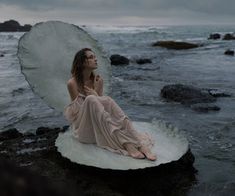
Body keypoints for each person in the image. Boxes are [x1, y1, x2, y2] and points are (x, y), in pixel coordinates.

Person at [64, 48, 156, 161]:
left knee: (107, 100)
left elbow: (101, 108)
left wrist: (96, 92)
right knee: (93, 99)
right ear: (82, 62)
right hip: (84, 129)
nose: (95, 59)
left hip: (98, 125)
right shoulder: (72, 83)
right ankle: (127, 145)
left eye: (95, 57)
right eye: (91, 57)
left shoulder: (98, 80)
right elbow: (77, 114)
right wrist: (94, 95)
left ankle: (139, 144)